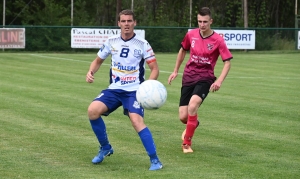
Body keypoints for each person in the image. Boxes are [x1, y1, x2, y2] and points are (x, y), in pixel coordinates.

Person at [85, 9, 163, 170]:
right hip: (114, 89)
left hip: (134, 91)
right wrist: (91, 71)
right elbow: (97, 60)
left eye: (129, 21)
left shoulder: (142, 44)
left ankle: (155, 160)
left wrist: (147, 87)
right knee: (92, 111)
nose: (126, 24)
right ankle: (105, 147)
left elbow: (154, 69)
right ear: (118, 23)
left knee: (136, 121)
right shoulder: (111, 41)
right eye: (123, 21)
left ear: (135, 23)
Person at [168, 7, 232, 153]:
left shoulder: (218, 40)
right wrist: (176, 70)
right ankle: (193, 123)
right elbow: (183, 50)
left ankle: (186, 143)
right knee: (184, 117)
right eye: (199, 21)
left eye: (205, 22)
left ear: (211, 21)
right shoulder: (191, 35)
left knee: (193, 104)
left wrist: (219, 81)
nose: (202, 25)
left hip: (205, 77)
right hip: (189, 76)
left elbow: (227, 62)